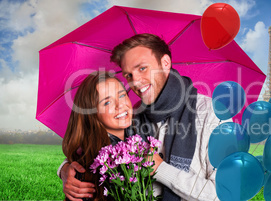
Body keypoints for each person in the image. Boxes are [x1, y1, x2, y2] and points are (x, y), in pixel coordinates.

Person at [59, 33, 223, 200]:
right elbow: (100, 147)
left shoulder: (211, 114)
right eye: (129, 75)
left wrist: (161, 169)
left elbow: (225, 194)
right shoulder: (135, 115)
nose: (135, 82)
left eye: (142, 68)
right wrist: (66, 170)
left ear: (165, 63)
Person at [60, 71, 134, 200]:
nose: (120, 105)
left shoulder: (140, 136)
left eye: (122, 95)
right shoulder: (89, 167)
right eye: (107, 102)